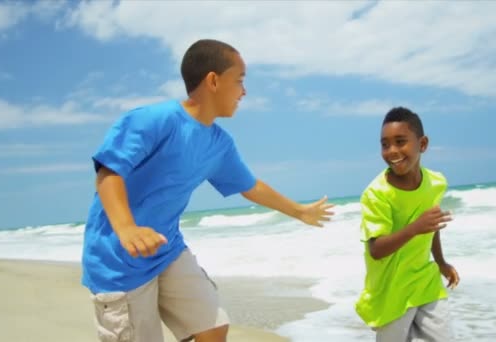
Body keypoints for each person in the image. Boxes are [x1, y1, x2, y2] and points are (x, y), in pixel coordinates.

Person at [82, 38, 334, 342]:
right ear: (213, 80)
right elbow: (109, 172)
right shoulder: (153, 120)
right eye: (239, 80)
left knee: (212, 327)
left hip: (168, 250)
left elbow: (250, 186)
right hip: (119, 260)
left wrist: (298, 210)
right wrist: (127, 228)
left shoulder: (219, 144)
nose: (245, 91)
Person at [355, 107, 460, 341]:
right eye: (385, 144)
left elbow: (430, 226)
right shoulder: (376, 194)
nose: (392, 151)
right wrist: (415, 227)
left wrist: (441, 262)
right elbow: (377, 249)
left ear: (422, 144)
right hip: (391, 290)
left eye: (400, 142)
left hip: (425, 280)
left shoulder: (436, 182)